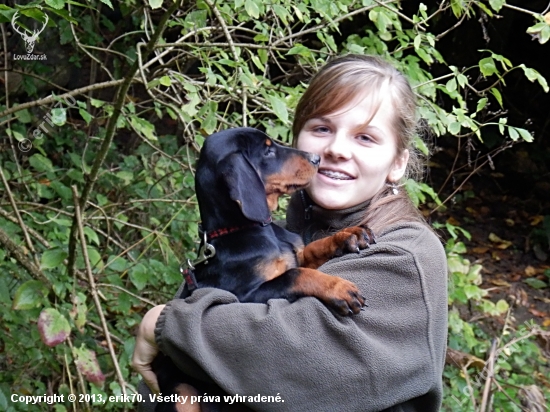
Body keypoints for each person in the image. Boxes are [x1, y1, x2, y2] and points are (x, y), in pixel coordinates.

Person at [132, 54, 448, 412]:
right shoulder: (271, 237)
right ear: (297, 137)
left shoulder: (407, 255)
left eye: (365, 137)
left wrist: (163, 325)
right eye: (322, 129)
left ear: (397, 163)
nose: (336, 150)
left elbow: (290, 360)